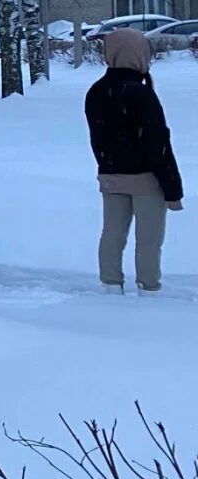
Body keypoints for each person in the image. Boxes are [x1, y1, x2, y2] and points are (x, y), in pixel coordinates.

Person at [86, 28, 184, 293]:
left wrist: (107, 166)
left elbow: (98, 138)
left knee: (112, 235)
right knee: (149, 240)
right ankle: (148, 289)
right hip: (146, 180)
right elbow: (158, 145)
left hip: (111, 177)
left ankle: (110, 286)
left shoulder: (96, 91)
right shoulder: (140, 94)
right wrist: (173, 188)